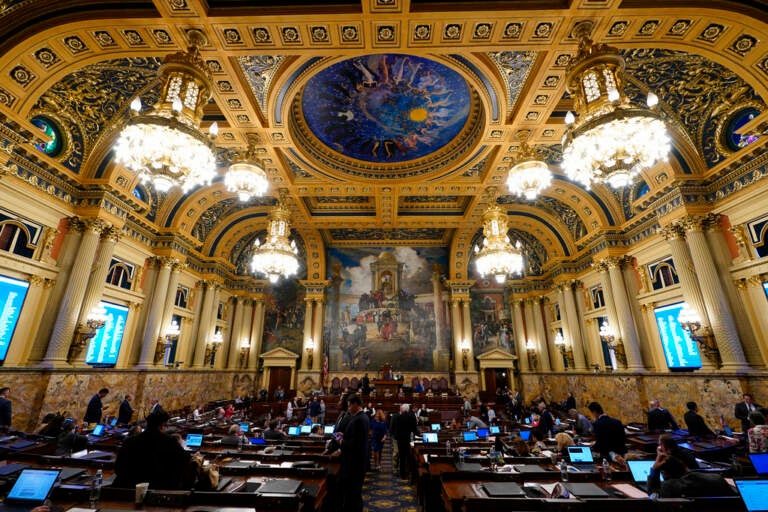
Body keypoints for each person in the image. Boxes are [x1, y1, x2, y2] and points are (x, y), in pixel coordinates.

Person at [114, 410, 195, 489]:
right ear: (161, 426)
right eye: (166, 426)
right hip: (161, 490)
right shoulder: (169, 442)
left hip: (129, 489)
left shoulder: (129, 441)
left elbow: (118, 468)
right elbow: (186, 461)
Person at [648, 434, 730, 499]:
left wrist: (654, 469)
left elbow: (653, 497)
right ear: (684, 466)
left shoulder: (669, 487)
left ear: (667, 474)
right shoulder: (717, 479)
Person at [339, 394, 369, 512]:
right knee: (354, 493)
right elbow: (355, 437)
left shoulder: (358, 419)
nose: (348, 408)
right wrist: (345, 436)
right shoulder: (362, 417)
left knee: (353, 494)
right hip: (358, 462)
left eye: (349, 405)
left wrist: (341, 441)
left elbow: (354, 444)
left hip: (354, 463)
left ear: (355, 404)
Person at [393, 403, 418, 479]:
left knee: (401, 457)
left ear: (402, 409)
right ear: (408, 409)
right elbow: (415, 429)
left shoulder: (398, 417)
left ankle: (402, 474)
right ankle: (408, 473)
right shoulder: (411, 417)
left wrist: (397, 438)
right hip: (408, 439)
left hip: (400, 440)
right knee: (408, 456)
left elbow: (396, 429)